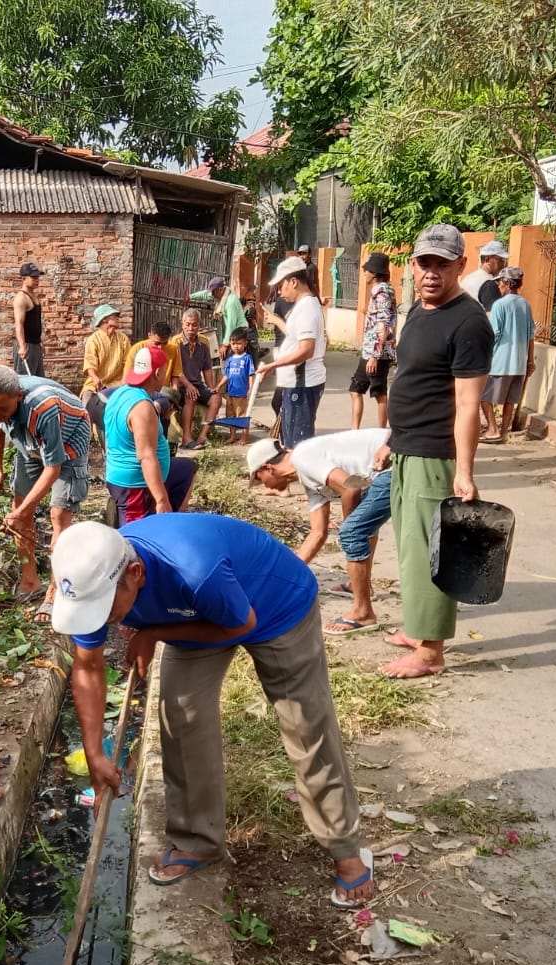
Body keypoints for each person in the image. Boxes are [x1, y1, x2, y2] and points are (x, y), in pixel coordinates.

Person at [49, 516, 375, 907]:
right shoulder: (91, 580)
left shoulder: (194, 569)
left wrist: (153, 633)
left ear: (135, 573)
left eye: (104, 607)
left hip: (274, 606)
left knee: (306, 727)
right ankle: (197, 842)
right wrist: (95, 753)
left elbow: (243, 623)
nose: (98, 617)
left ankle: (346, 851)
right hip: (189, 615)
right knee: (181, 716)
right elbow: (87, 666)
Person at [377, 223, 493, 679]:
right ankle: (417, 629)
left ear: (460, 266)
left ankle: (431, 652)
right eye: (425, 262)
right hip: (408, 446)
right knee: (409, 547)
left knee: (431, 551)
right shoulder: (419, 311)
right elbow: (411, 381)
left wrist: (464, 471)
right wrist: (390, 438)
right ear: (413, 264)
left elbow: (468, 404)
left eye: (442, 264)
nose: (431, 272)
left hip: (436, 453)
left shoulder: (469, 323)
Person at [0, 365, 91, 622]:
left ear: (18, 396)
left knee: (59, 515)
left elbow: (53, 468)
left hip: (69, 442)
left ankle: (54, 593)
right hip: (28, 443)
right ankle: (30, 581)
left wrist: (19, 513)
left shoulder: (42, 409)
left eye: (2, 409)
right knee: (20, 505)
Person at [245, 432, 392, 635]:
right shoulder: (309, 479)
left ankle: (363, 613)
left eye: (261, 480)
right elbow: (317, 533)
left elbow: (350, 488)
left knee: (352, 531)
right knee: (359, 528)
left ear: (268, 468)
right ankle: (359, 584)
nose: (265, 486)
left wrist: (351, 527)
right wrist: (283, 574)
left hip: (394, 460)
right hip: (377, 472)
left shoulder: (303, 458)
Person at [104, 345, 197, 525]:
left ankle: (167, 524)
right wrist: (161, 499)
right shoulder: (142, 408)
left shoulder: (119, 393)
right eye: (164, 371)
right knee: (135, 539)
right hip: (134, 484)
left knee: (188, 469)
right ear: (157, 373)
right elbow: (146, 456)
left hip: (145, 476)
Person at [254, 256, 326, 446]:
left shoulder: (307, 308)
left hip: (302, 384)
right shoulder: (302, 306)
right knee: (290, 442)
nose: (279, 292)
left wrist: (272, 365)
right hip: (296, 384)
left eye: (280, 286)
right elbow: (295, 336)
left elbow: (306, 350)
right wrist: (277, 321)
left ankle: (300, 475)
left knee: (298, 445)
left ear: (293, 282)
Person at [482, 266, 536, 440]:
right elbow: (530, 335)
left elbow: (495, 333)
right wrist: (530, 360)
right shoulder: (525, 305)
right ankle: (504, 431)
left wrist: (484, 354)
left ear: (507, 283)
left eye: (500, 282)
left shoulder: (499, 305)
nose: (498, 285)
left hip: (500, 360)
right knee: (510, 400)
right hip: (519, 361)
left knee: (483, 396)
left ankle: (493, 429)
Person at [350, 251, 397, 430]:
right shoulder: (380, 290)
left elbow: (383, 324)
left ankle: (381, 432)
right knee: (355, 389)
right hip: (372, 350)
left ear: (375, 272)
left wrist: (375, 356)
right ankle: (355, 431)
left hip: (378, 353)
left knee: (379, 393)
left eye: (368, 270)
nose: (365, 273)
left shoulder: (382, 292)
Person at [81, 303, 129, 444]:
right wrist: (95, 378)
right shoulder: (93, 340)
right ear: (104, 320)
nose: (118, 319)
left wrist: (124, 381)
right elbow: (89, 364)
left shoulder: (123, 339)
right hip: (96, 382)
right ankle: (86, 436)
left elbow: (128, 363)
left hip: (117, 382)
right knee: (86, 399)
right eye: (115, 317)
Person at [202, 327, 255, 444]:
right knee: (230, 416)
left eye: (239, 343)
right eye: (233, 343)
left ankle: (244, 437)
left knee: (242, 417)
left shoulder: (247, 358)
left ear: (245, 344)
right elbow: (227, 375)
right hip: (230, 393)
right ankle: (232, 436)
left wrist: (251, 388)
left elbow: (251, 374)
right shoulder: (230, 360)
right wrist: (218, 386)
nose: (236, 346)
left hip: (241, 394)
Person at [170, 308, 214, 449]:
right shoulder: (175, 342)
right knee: (191, 396)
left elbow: (207, 368)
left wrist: (211, 387)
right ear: (182, 324)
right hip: (180, 384)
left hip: (197, 384)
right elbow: (175, 371)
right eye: (187, 324)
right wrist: (188, 385)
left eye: (194, 324)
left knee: (216, 398)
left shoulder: (204, 342)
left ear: (199, 325)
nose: (191, 328)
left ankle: (203, 436)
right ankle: (187, 438)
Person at [188, 275, 248, 357]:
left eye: (213, 292)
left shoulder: (231, 302)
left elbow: (231, 325)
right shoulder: (224, 292)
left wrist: (225, 345)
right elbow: (206, 294)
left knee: (231, 358)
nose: (212, 294)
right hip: (231, 333)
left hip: (239, 332)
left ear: (219, 290)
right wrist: (190, 297)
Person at [12, 263, 45, 375]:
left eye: (37, 277)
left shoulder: (33, 296)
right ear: (23, 279)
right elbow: (19, 324)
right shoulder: (21, 298)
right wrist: (22, 346)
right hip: (26, 345)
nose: (37, 280)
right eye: (33, 277)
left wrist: (39, 342)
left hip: (35, 345)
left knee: (39, 380)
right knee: (25, 381)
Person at [460, 241, 507, 311]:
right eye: (501, 260)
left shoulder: (466, 279)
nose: (503, 264)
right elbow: (494, 315)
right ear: (487, 260)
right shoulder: (489, 284)